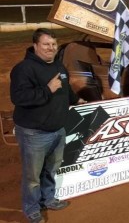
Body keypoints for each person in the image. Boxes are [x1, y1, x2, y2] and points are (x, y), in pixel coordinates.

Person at [10, 28, 86, 223]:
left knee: (51, 169)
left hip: (58, 129)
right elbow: (19, 97)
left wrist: (77, 101)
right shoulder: (24, 69)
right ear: (35, 46)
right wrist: (47, 89)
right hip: (33, 132)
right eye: (46, 44)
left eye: (53, 44)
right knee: (32, 176)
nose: (50, 48)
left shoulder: (59, 66)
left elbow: (66, 90)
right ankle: (31, 208)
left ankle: (48, 199)